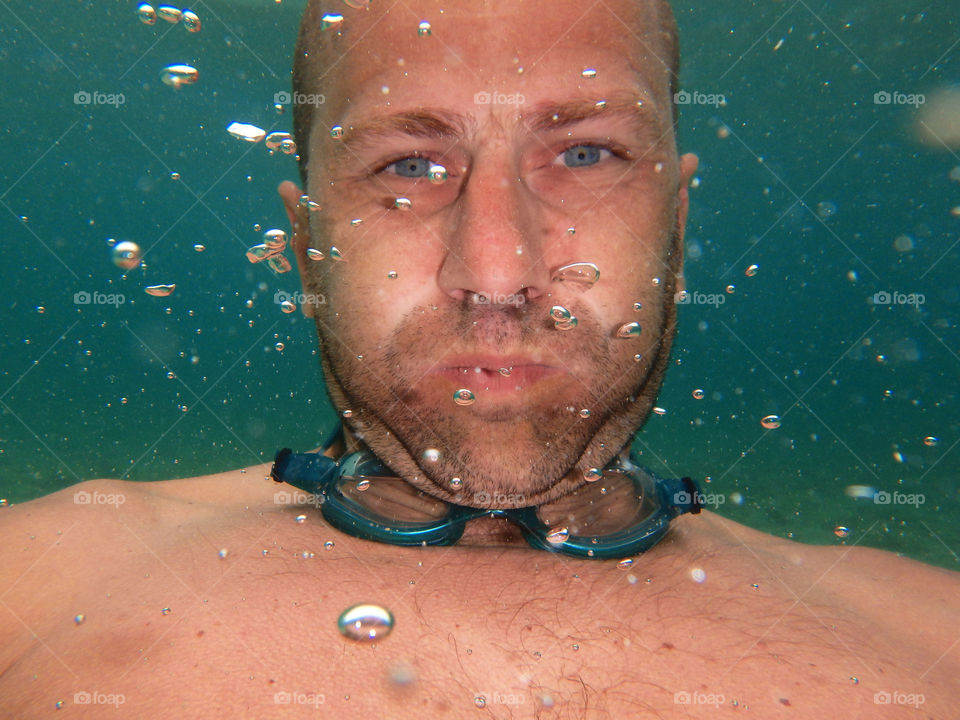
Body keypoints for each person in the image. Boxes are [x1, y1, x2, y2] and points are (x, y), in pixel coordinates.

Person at [2, 1, 957, 717]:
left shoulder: (933, 644)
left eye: (584, 154)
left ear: (675, 226)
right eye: (409, 166)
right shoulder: (35, 587)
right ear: (305, 247)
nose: (497, 273)